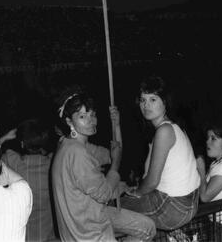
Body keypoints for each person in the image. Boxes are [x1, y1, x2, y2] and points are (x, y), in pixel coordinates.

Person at [51, 90, 156, 242]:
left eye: (92, 115)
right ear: (69, 121)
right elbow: (105, 193)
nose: (91, 120)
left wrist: (117, 126)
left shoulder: (70, 144)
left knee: (147, 227)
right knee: (146, 229)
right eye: (82, 116)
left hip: (88, 215)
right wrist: (115, 166)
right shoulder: (76, 153)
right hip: (87, 232)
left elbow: (114, 154)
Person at [121, 75, 200, 231]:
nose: (146, 105)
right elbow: (146, 175)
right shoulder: (172, 127)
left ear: (165, 102)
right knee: (132, 216)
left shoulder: (164, 131)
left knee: (113, 208)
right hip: (189, 202)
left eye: (153, 99)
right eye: (143, 100)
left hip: (174, 206)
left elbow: (151, 182)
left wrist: (137, 193)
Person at [0, 119, 58, 242]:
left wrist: (5, 138)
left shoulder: (13, 161)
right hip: (48, 236)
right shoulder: (53, 162)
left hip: (22, 237)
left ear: (22, 144)